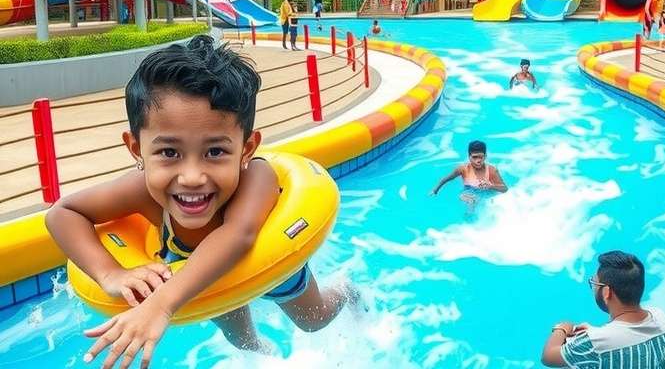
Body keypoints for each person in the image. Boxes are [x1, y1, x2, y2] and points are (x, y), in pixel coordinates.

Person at [45, 36, 357, 368]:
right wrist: (111, 274)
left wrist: (160, 305)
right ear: (136, 149)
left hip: (271, 265)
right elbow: (63, 213)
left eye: (215, 151)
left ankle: (347, 290)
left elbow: (238, 235)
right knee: (241, 340)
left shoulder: (258, 178)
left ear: (247, 149)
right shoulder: (141, 189)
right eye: (169, 152)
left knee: (314, 319)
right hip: (199, 273)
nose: (192, 176)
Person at [540, 251, 665, 368]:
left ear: (606, 292)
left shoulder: (596, 343)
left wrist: (562, 328)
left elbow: (548, 357)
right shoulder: (662, 318)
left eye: (594, 283)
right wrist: (595, 333)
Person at [430, 141, 508, 205]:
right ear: (469, 156)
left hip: (488, 195)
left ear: (485, 156)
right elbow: (446, 179)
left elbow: (504, 189)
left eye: (481, 157)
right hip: (469, 191)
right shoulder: (463, 169)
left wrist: (490, 186)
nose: (478, 161)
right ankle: (470, 215)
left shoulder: (491, 170)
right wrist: (435, 190)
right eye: (474, 157)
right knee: (466, 197)